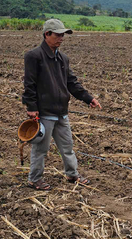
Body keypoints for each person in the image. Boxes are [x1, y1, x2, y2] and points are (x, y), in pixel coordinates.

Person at [22, 18, 102, 190]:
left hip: (61, 111)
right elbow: (29, 84)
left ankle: (72, 175)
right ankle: (34, 179)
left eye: (63, 35)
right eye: (58, 35)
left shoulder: (63, 58)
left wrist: (89, 98)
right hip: (44, 112)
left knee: (67, 147)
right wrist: (32, 107)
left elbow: (71, 83)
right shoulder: (34, 56)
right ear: (47, 34)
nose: (61, 38)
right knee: (40, 149)